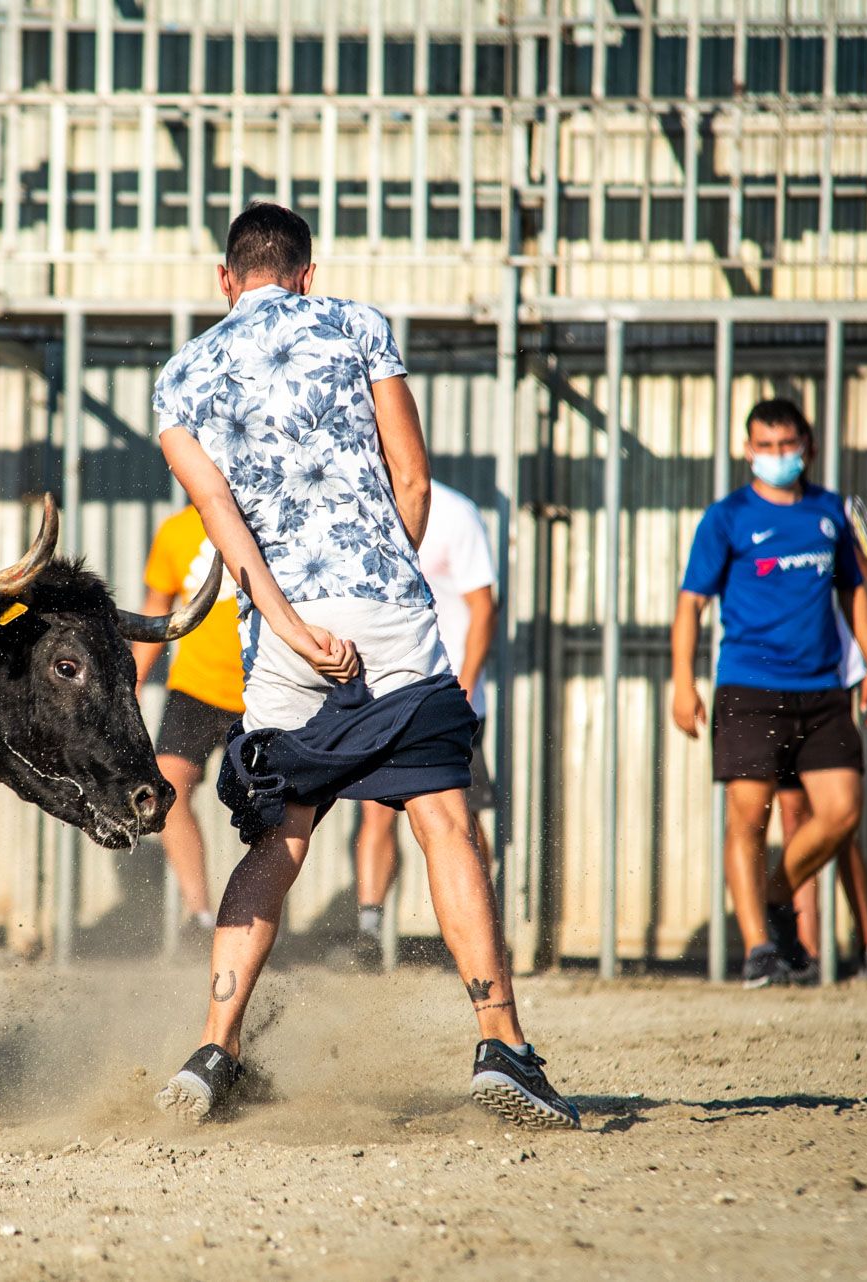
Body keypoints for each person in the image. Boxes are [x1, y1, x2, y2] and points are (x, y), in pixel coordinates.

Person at [148, 202, 578, 1129]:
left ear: (227, 280)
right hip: (387, 612)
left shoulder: (181, 378)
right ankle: (500, 1042)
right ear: (306, 271)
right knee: (445, 825)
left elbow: (219, 519)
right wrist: (388, 580)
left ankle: (214, 1047)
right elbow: (412, 481)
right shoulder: (359, 323)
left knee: (280, 838)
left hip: (279, 634)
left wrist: (289, 622)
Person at [671, 399, 867, 988]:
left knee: (841, 812)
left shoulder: (830, 511)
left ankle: (771, 893)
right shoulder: (727, 516)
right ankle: (760, 949)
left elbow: (857, 592)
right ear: (747, 450)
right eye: (764, 446)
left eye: (786, 445)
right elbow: (691, 602)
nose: (776, 456)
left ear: (807, 447)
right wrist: (682, 680)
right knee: (748, 817)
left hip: (823, 691)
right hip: (749, 687)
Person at [351, 479, 497, 966]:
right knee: (375, 812)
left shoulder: (455, 511)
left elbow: (483, 608)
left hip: (448, 698)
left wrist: (467, 684)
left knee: (459, 817)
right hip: (384, 699)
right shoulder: (362, 503)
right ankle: (369, 933)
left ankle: (484, 934)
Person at [782, 495, 867, 981]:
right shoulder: (755, 515)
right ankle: (805, 951)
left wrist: (860, 552)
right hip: (775, 682)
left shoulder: (842, 512)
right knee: (795, 818)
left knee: (838, 823)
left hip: (829, 681)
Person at [131, 505, 244, 947]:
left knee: (271, 812)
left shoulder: (264, 520)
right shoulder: (175, 531)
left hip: (261, 690)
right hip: (194, 690)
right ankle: (199, 915)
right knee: (166, 791)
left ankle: (257, 924)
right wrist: (132, 682)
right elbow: (154, 611)